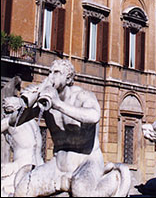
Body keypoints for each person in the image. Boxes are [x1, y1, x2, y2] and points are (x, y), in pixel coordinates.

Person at [13, 59, 130, 197]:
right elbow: (14, 122)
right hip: (58, 165)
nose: (51, 77)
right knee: (22, 191)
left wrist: (58, 105)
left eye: (56, 73)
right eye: (50, 72)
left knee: (80, 190)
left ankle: (113, 179)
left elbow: (94, 116)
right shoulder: (46, 100)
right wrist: (28, 103)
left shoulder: (82, 96)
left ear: (68, 78)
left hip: (87, 161)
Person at [1, 96, 43, 197]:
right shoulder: (33, 121)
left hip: (21, 168)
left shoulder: (11, 121)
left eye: (5, 108)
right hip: (40, 165)